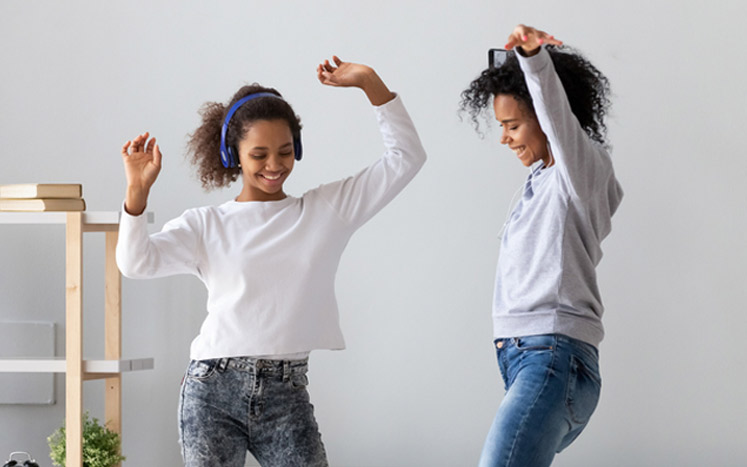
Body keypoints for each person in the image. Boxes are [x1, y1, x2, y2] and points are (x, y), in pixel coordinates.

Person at [116, 56, 426, 467]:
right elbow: (135, 263)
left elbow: (407, 157)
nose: (274, 165)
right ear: (234, 155)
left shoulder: (326, 211)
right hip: (211, 390)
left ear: (297, 146)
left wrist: (370, 83)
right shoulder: (207, 225)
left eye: (284, 151)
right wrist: (136, 194)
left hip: (287, 393)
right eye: (259, 154)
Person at [460, 24, 623, 466]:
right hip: (524, 360)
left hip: (553, 357)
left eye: (512, 125)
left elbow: (556, 113)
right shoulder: (542, 184)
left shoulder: (581, 174)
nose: (505, 137)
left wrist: (534, 60)